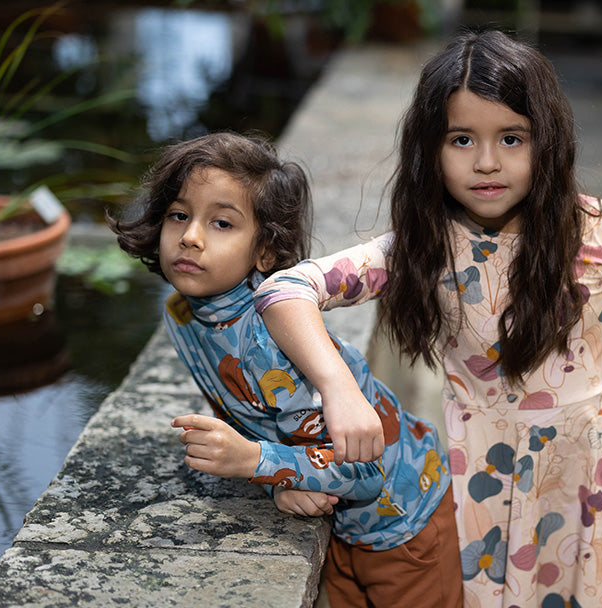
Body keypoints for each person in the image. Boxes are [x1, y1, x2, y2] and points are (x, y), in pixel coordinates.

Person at [253, 30, 602, 607]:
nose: (486, 162)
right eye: (461, 139)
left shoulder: (600, 232)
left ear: (546, 141)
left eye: (511, 137)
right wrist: (337, 389)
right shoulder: (423, 248)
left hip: (588, 487)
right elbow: (286, 289)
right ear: (430, 148)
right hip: (481, 485)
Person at [108, 132, 463, 608]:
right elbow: (244, 410)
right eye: (179, 215)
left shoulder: (269, 345)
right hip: (340, 522)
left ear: (266, 254)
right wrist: (283, 478)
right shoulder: (184, 313)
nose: (191, 236)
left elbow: (365, 472)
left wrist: (256, 463)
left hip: (405, 523)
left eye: (221, 223)